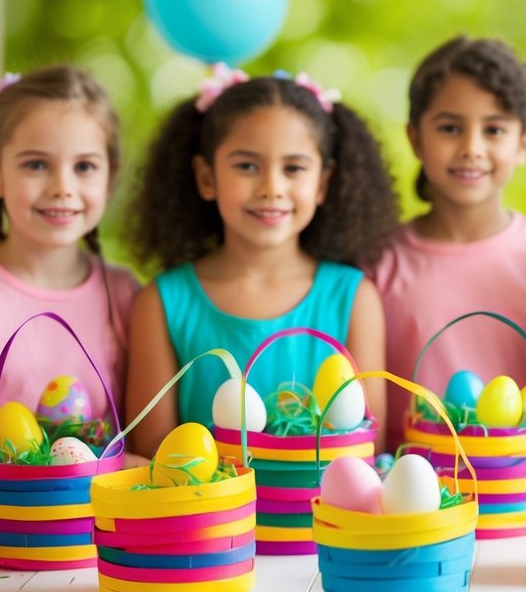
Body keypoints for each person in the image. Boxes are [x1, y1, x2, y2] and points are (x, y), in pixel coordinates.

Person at [125, 67, 398, 456]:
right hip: (208, 515)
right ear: (206, 177)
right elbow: (153, 452)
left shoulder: (354, 298)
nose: (272, 188)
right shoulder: (162, 303)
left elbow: (370, 445)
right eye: (247, 166)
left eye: (294, 168)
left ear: (322, 183)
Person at [371, 37, 526, 446]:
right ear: (416, 138)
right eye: (450, 128)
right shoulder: (378, 263)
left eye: (494, 130)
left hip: (524, 491)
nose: (471, 149)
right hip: (412, 493)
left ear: (525, 143)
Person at [0, 67, 137, 433]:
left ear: (110, 177)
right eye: (36, 164)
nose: (62, 186)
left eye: (84, 166)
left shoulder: (126, 294)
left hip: (94, 492)